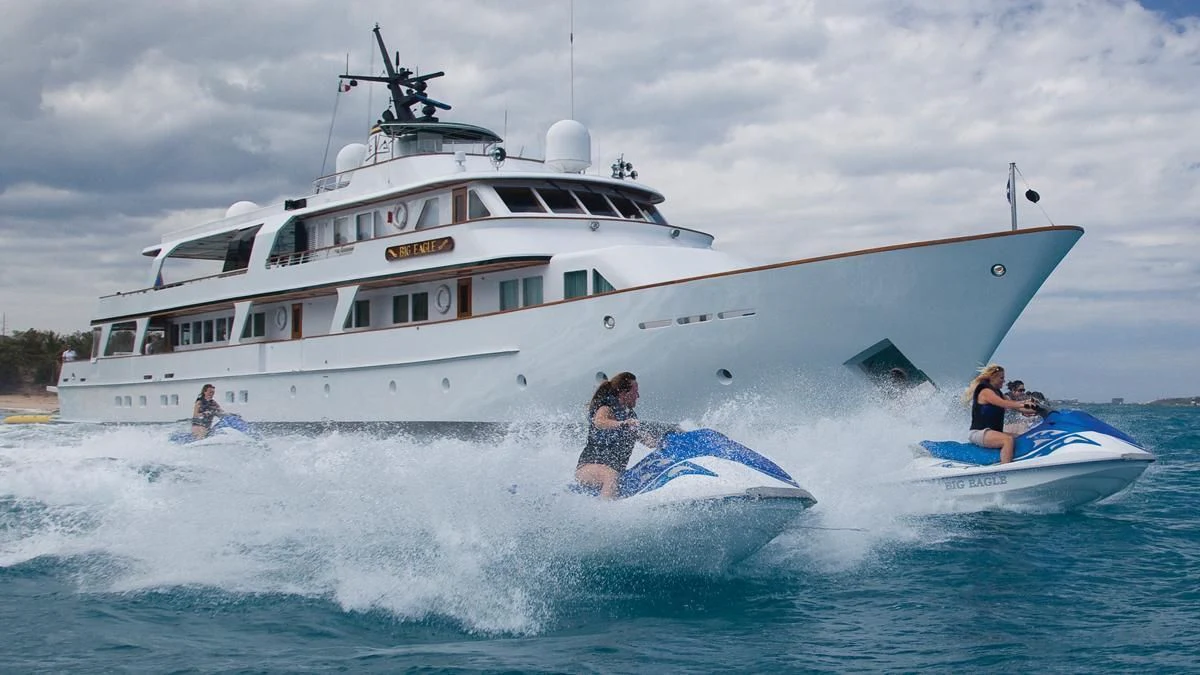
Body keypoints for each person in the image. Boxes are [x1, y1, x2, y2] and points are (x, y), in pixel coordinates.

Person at [575, 372, 660, 499]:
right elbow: (600, 421)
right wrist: (622, 424)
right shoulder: (606, 407)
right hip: (587, 469)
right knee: (610, 475)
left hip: (614, 473)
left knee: (613, 474)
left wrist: (662, 443)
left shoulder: (630, 416)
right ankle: (604, 514)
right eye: (635, 391)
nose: (638, 396)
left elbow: (646, 439)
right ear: (623, 393)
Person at [963, 364, 1037, 464]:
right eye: (1001, 378)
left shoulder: (998, 392)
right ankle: (1005, 469)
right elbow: (1005, 404)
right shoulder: (985, 391)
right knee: (1008, 440)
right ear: (993, 377)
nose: (1004, 381)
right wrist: (1023, 403)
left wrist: (1036, 409)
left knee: (1021, 437)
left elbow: (1019, 409)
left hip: (991, 432)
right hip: (979, 432)